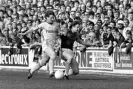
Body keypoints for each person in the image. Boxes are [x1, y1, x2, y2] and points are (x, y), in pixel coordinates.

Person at [21, 10, 59, 79]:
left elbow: (58, 34)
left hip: (52, 46)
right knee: (53, 55)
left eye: (53, 17)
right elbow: (33, 28)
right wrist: (25, 33)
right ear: (46, 18)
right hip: (46, 45)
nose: (53, 19)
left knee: (42, 63)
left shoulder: (56, 24)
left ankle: (31, 71)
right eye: (51, 17)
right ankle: (51, 72)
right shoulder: (43, 24)